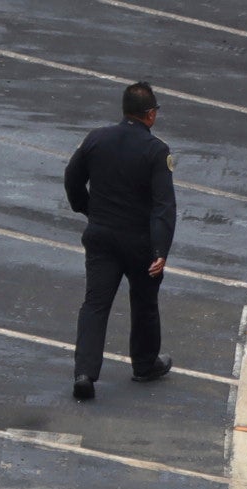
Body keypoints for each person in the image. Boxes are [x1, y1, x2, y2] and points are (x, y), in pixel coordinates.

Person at [62, 81, 177, 402]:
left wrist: (87, 209)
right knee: (144, 302)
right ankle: (144, 364)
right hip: (139, 242)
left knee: (95, 303)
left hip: (101, 236)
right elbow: (164, 206)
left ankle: (84, 373)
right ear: (150, 115)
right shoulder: (156, 151)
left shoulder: (96, 138)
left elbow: (72, 177)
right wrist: (160, 250)